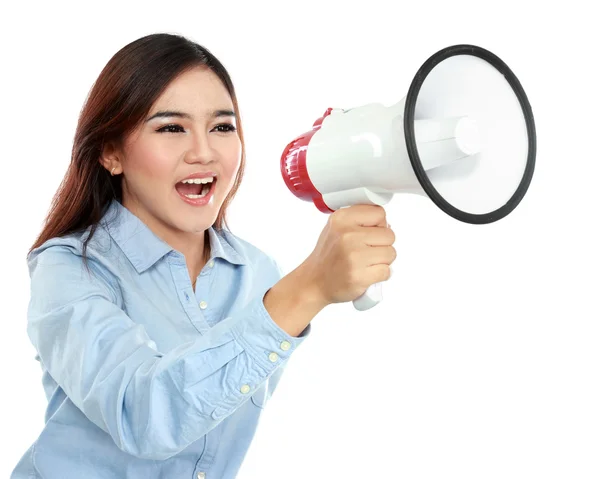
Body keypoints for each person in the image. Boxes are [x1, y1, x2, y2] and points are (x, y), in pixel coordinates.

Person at [10, 33, 396, 479]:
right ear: (111, 152)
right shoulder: (68, 270)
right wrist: (306, 289)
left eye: (222, 127)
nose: (203, 151)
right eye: (171, 127)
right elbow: (144, 416)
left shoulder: (257, 274)